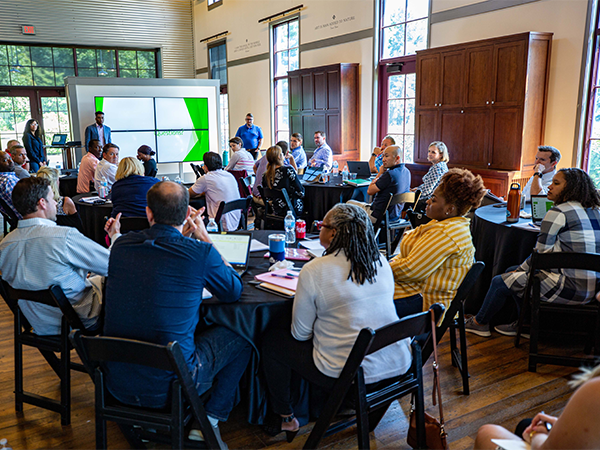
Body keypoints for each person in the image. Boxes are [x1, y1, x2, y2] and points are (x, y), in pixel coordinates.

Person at [103, 181, 251, 447]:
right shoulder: (199, 252)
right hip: (173, 384)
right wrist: (204, 237)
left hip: (116, 380)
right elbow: (232, 291)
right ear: (186, 215)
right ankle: (211, 417)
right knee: (243, 338)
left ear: (148, 213)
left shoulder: (121, 247)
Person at [261, 204, 412, 441]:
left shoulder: (315, 270)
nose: (319, 228)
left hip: (350, 375)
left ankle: (286, 417)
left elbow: (300, 335)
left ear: (333, 233)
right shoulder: (380, 262)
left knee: (273, 342)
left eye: (322, 225)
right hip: (398, 366)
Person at [466, 168, 600, 337]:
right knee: (511, 272)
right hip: (593, 289)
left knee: (500, 281)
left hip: (567, 288)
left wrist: (521, 270)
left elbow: (540, 255)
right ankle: (525, 324)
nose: (549, 187)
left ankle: (480, 323)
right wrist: (519, 270)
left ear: (571, 188)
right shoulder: (596, 211)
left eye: (556, 183)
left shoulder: (558, 212)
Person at [0, 177, 120, 335]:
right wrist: (115, 236)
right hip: (76, 320)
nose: (56, 203)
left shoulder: (5, 245)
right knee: (117, 276)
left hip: (37, 324)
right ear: (42, 203)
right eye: (53, 198)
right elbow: (114, 265)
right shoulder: (63, 237)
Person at [391, 168, 486, 316]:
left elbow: (411, 270)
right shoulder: (445, 223)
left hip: (427, 304)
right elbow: (408, 259)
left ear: (449, 209)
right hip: (415, 292)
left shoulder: (446, 233)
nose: (428, 201)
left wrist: (381, 269)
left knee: (359, 303)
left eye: (433, 199)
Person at [473, 363, 600, 449]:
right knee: (525, 424)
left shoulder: (595, 390)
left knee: (487, 432)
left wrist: (535, 435)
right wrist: (558, 425)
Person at [347, 145, 411, 223]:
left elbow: (370, 191)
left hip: (378, 216)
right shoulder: (407, 172)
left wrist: (380, 173)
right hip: (395, 216)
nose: (383, 159)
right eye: (383, 156)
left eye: (387, 156)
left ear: (397, 158)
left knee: (347, 205)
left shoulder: (389, 174)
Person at [189, 152, 240, 230]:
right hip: (236, 220)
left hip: (218, 223)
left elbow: (188, 194)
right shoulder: (229, 175)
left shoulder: (206, 178)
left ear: (205, 166)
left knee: (192, 217)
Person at [262, 145, 305, 216]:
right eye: (282, 153)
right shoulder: (288, 170)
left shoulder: (265, 175)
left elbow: (268, 197)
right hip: (290, 209)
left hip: (275, 209)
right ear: (279, 157)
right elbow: (301, 193)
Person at [0, 151, 22, 219]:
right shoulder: (7, 181)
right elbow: (22, 207)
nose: (11, 161)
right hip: (29, 219)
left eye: (10, 158)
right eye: (5, 160)